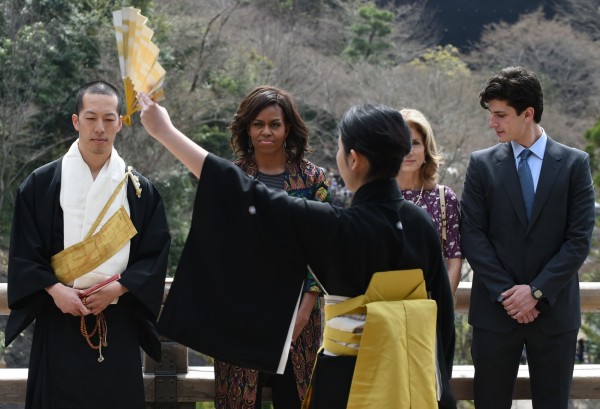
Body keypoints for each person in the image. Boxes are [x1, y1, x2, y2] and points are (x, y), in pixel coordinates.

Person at [138, 94, 457, 408]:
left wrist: (164, 132)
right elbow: (443, 320)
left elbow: (245, 192)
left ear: (354, 159)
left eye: (339, 148)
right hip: (415, 380)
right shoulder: (420, 222)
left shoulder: (335, 226)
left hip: (348, 380)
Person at [5, 81, 171, 409]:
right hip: (58, 318)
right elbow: (24, 252)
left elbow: (155, 253)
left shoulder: (139, 190)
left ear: (120, 124)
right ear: (75, 121)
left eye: (109, 119)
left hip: (118, 321)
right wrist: (55, 290)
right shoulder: (41, 184)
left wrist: (120, 288)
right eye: (91, 117)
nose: (100, 127)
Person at [460, 66, 595, 409]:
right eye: (492, 115)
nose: (493, 123)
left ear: (528, 113)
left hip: (554, 313)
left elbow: (578, 240)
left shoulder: (575, 163)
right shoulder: (482, 164)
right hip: (494, 312)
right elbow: (472, 235)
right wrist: (509, 295)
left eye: (501, 115)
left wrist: (536, 292)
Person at [214, 85, 331, 409]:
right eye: (258, 124)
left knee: (297, 399)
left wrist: (304, 313)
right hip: (240, 318)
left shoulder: (312, 179)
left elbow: (323, 249)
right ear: (246, 128)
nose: (266, 131)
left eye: (274, 124)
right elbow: (220, 248)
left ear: (287, 128)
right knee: (239, 400)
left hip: (299, 316)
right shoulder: (232, 177)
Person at [396, 108, 463, 294]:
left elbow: (454, 260)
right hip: (384, 305)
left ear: (426, 149)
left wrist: (440, 308)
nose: (408, 150)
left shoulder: (444, 198)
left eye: (415, 143)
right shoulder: (376, 197)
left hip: (430, 305)